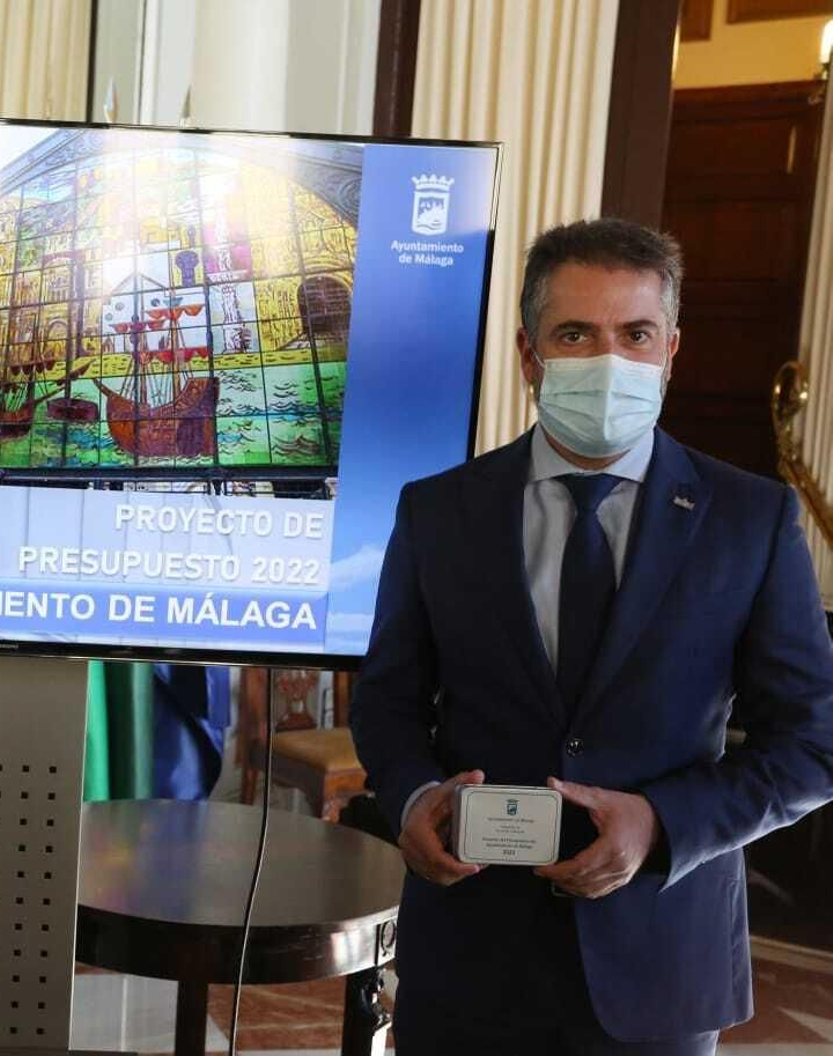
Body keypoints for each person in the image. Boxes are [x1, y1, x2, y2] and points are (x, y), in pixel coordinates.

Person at [350, 217, 833, 1055]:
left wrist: (662, 825)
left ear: (670, 350)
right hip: (468, 955)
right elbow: (388, 703)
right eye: (576, 333)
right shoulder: (439, 511)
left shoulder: (750, 521)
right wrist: (415, 797)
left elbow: (815, 744)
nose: (608, 360)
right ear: (530, 353)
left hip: (659, 961)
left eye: (635, 333)